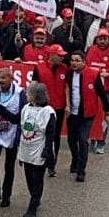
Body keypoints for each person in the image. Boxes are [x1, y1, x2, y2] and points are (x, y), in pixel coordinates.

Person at [65, 51, 109, 181]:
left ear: (84, 62)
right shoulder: (69, 73)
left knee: (83, 140)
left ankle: (81, 170)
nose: (74, 63)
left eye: (77, 60)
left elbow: (102, 94)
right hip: (72, 113)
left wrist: (108, 111)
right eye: (72, 60)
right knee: (71, 140)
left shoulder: (93, 74)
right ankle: (75, 158)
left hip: (87, 113)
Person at [0, 67, 24, 207]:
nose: (1, 81)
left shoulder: (20, 93)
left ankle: (6, 195)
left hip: (11, 134)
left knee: (9, 166)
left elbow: (18, 118)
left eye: (4, 78)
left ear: (11, 78)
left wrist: (1, 108)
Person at [18, 82, 58, 217]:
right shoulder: (25, 108)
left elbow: (51, 134)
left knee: (37, 179)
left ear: (35, 95)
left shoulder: (48, 112)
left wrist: (47, 152)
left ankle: (32, 206)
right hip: (26, 150)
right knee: (29, 178)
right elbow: (19, 124)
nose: (26, 95)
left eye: (29, 93)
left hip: (39, 150)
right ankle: (35, 197)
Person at [33, 44, 69, 177]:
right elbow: (34, 86)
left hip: (59, 107)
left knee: (56, 136)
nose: (62, 58)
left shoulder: (64, 68)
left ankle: (52, 164)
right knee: (43, 134)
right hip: (44, 108)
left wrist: (67, 104)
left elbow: (66, 87)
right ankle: (45, 160)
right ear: (52, 55)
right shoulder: (39, 67)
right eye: (59, 55)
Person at [84, 27, 109, 142]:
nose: (102, 41)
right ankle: (91, 137)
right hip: (91, 88)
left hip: (107, 89)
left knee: (105, 115)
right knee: (91, 114)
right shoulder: (90, 49)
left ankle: (101, 140)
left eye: (105, 39)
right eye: (100, 39)